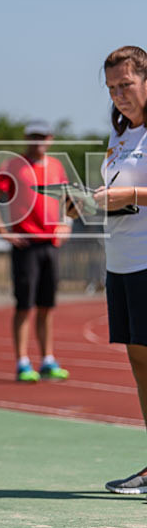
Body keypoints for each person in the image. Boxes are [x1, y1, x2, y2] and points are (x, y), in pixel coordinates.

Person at [79, 46, 147, 494]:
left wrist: (127, 197)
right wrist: (88, 200)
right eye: (111, 88)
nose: (119, 95)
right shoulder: (120, 134)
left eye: (126, 84)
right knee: (140, 365)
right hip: (120, 263)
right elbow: (120, 192)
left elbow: (134, 195)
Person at [0, 121, 72, 382]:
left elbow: (67, 199)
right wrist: (2, 231)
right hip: (26, 245)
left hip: (50, 245)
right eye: (34, 136)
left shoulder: (56, 166)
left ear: (51, 138)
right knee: (24, 305)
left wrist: (66, 226)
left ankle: (48, 359)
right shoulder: (13, 166)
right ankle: (22, 362)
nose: (38, 141)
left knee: (47, 306)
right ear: (26, 138)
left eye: (43, 136)